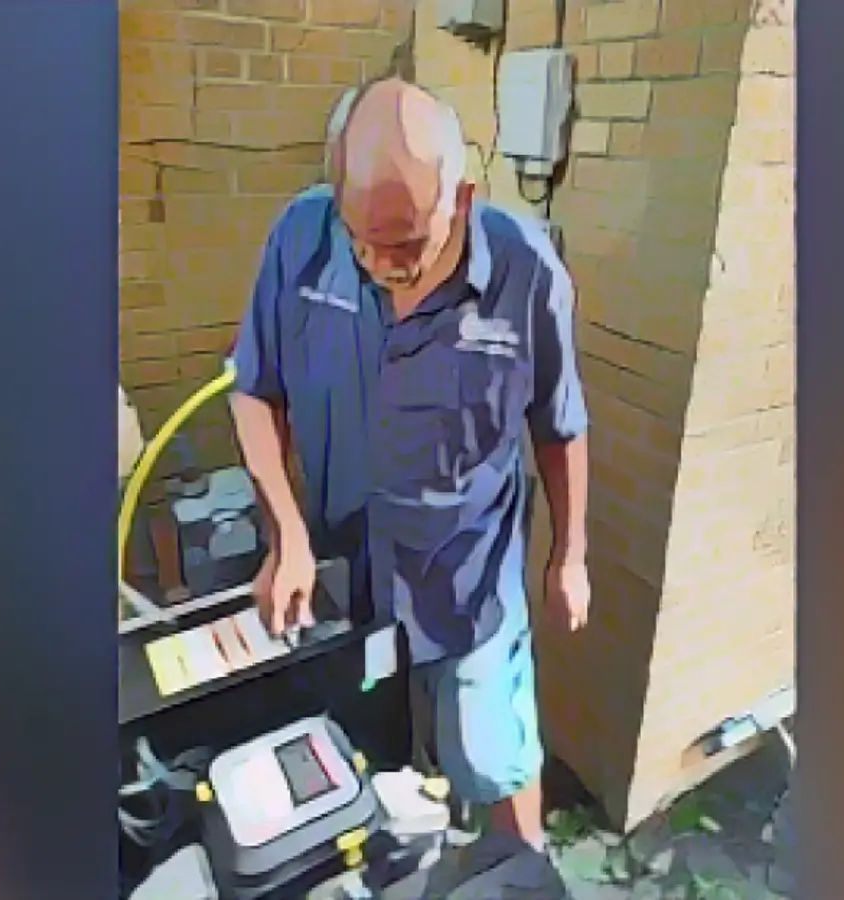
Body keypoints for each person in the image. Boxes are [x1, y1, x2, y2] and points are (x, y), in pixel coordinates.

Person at [229, 77, 590, 852]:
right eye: (362, 240)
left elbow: (560, 425)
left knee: (493, 761)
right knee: (360, 763)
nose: (381, 265)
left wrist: (571, 554)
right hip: (348, 571)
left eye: (406, 246)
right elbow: (255, 392)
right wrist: (285, 532)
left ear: (461, 200)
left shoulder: (526, 272)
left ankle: (521, 869)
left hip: (468, 580)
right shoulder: (300, 239)